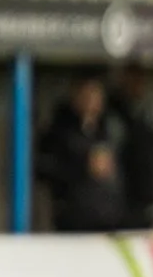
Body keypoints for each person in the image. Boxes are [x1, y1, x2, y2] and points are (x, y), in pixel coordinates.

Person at [40, 75, 118, 226]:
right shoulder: (59, 130)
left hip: (107, 219)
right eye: (86, 95)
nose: (91, 102)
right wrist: (83, 165)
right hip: (73, 219)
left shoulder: (111, 130)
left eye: (96, 96)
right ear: (75, 97)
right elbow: (44, 168)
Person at [110, 64, 153, 227]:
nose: (140, 85)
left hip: (150, 203)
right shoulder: (115, 116)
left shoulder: (146, 114)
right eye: (134, 79)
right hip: (126, 205)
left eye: (142, 80)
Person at [56, 143, 129, 232]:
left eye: (107, 162)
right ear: (91, 163)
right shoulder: (81, 193)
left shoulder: (117, 191)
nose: (104, 166)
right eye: (100, 161)